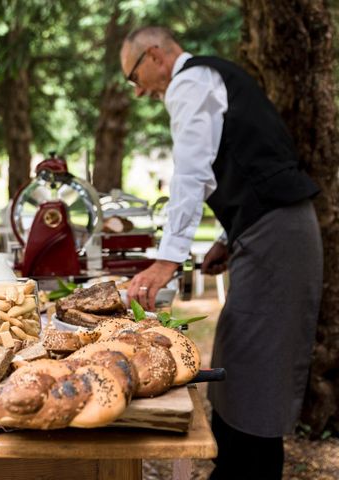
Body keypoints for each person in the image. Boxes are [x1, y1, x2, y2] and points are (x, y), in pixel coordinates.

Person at [120, 27, 322, 479]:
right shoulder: (209, 80)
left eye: (135, 77)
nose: (138, 92)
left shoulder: (191, 81)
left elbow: (192, 173)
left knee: (258, 370)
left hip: (280, 237)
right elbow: (245, 165)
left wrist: (167, 260)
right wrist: (228, 239)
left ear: (154, 55)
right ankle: (228, 467)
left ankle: (247, 473)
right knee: (235, 357)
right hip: (263, 232)